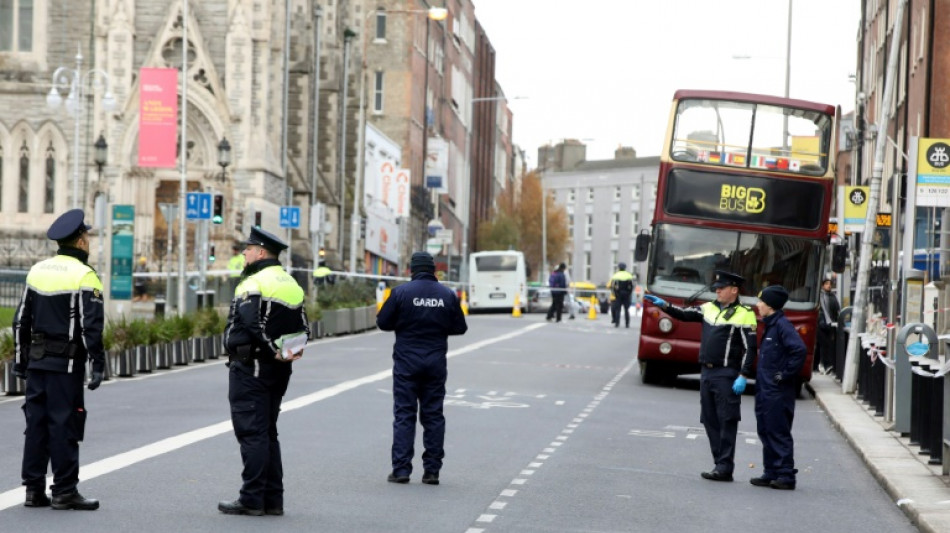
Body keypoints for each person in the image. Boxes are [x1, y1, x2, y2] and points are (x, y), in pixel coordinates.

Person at [13, 208, 105, 510]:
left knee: (36, 425)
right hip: (66, 366)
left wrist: (20, 361)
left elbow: (20, 322)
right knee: (65, 424)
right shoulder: (85, 275)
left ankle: (33, 490)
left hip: (37, 362)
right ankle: (64, 491)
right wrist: (98, 365)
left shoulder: (37, 271)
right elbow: (91, 327)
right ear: (79, 241)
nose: (88, 240)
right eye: (87, 235)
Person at [218, 227, 309, 516]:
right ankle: (273, 500)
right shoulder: (290, 282)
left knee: (252, 433)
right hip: (279, 368)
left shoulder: (254, 282)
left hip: (252, 366)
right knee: (268, 432)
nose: (243, 253)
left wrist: (271, 350)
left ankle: (252, 498)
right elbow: (303, 326)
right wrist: (289, 352)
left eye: (247, 249)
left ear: (260, 252)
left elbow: (251, 323)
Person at [643, 270, 757, 482]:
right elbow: (683, 314)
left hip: (726, 373)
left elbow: (750, 349)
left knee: (727, 420)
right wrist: (664, 305)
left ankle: (725, 466)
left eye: (721, 288)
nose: (717, 291)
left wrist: (743, 374)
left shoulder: (745, 314)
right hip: (707, 372)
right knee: (709, 419)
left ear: (734, 290)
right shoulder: (708, 308)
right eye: (716, 288)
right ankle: (719, 463)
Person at [376, 251, 467, 485]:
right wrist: (439, 326)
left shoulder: (401, 293)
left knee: (404, 414)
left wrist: (404, 323)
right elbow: (460, 327)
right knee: (433, 415)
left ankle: (401, 470)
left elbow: (382, 322)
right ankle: (432, 471)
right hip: (435, 362)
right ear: (434, 270)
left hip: (406, 363)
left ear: (411, 270)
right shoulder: (447, 295)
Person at [751, 285, 807, 490]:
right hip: (766, 389)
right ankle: (771, 472)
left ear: (771, 305)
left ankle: (785, 475)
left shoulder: (782, 326)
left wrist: (784, 374)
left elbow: (799, 350)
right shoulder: (771, 325)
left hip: (777, 391)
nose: (758, 305)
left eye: (761, 302)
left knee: (777, 431)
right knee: (765, 429)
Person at [815, 275, 841, 375]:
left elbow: (837, 309)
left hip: (830, 324)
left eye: (830, 284)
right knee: (823, 345)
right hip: (821, 324)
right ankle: (822, 364)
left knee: (829, 345)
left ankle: (827, 365)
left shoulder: (832, 296)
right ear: (822, 285)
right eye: (826, 284)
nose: (829, 286)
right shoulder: (819, 297)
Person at [609, 262, 635, 328]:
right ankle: (627, 324)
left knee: (618, 310)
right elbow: (632, 286)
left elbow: (612, 286)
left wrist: (615, 293)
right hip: (626, 295)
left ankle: (617, 323)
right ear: (625, 268)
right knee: (626, 310)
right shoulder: (629, 275)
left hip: (618, 294)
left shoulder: (616, 275)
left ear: (619, 268)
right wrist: (629, 293)